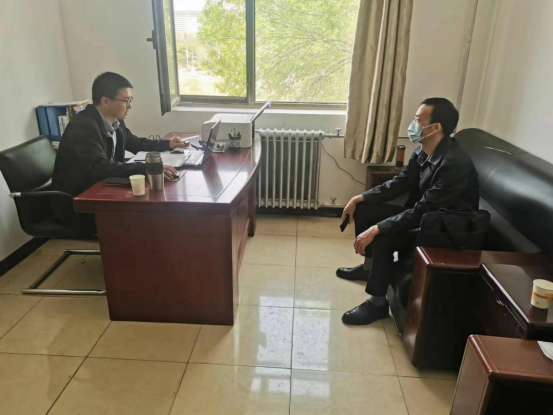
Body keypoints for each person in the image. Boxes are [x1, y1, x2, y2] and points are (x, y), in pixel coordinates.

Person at [337, 97, 479, 325]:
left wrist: (378, 228)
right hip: (426, 217)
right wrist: (360, 197)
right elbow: (401, 182)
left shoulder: (454, 164)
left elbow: (425, 210)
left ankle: (377, 304)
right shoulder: (424, 149)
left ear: (435, 127)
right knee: (364, 209)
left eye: (418, 120)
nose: (413, 125)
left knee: (384, 235)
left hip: (444, 230)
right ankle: (368, 268)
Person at [52, 72, 187, 232]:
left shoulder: (116, 122)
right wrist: (145, 168)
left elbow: (135, 142)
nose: (130, 106)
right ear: (105, 101)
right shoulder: (83, 127)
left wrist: (168, 144)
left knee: (151, 208)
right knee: (146, 216)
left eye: (130, 100)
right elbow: (99, 166)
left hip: (101, 190)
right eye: (126, 101)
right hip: (79, 204)